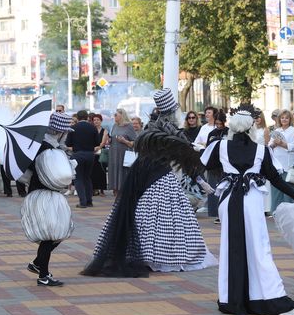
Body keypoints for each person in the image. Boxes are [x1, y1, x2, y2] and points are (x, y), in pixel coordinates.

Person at [82, 88, 217, 276]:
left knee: (146, 214)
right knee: (167, 215)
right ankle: (164, 256)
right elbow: (186, 157)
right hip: (160, 175)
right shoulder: (168, 130)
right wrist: (200, 179)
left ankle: (147, 253)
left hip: (143, 175)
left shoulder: (152, 127)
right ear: (172, 111)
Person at [201, 107, 294, 315]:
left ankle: (232, 299)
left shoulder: (219, 146)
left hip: (229, 200)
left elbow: (202, 165)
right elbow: (276, 180)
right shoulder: (261, 150)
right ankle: (270, 299)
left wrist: (203, 184)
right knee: (259, 248)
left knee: (231, 248)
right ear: (252, 127)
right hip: (251, 200)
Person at [22, 112, 76, 287]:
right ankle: (43, 275)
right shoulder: (46, 148)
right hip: (45, 194)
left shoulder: (44, 145)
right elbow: (55, 175)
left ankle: (38, 264)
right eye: (64, 132)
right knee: (50, 235)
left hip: (44, 193)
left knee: (59, 233)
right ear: (58, 132)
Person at [66, 110, 100, 208]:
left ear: (78, 117)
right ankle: (89, 201)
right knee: (87, 178)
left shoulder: (73, 128)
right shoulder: (92, 127)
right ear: (87, 117)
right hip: (90, 154)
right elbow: (97, 142)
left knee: (79, 178)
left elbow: (68, 143)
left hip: (78, 154)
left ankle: (82, 202)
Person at [268, 109, 294, 212]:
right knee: (276, 190)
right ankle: (276, 211)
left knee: (288, 189)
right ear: (279, 119)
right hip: (277, 164)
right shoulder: (277, 131)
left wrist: (283, 144)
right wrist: (274, 144)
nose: (284, 119)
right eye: (282, 118)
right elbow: (269, 145)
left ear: (290, 119)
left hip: (288, 164)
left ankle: (290, 211)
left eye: (286, 117)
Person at [108, 109, 137, 198]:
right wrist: (109, 140)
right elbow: (113, 137)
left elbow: (135, 142)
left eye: (116, 115)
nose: (114, 116)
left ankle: (123, 194)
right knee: (114, 171)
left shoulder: (129, 126)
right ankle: (116, 192)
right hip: (114, 153)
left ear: (122, 115)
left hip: (124, 154)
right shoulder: (114, 126)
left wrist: (124, 141)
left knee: (123, 172)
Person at [91, 113, 109, 196]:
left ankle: (102, 189)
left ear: (101, 121)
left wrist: (99, 147)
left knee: (102, 171)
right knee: (93, 171)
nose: (96, 121)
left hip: (101, 152)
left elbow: (104, 141)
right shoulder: (91, 129)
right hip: (92, 153)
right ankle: (94, 189)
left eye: (98, 120)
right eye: (94, 120)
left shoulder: (104, 130)